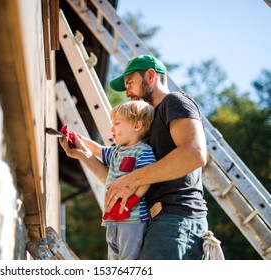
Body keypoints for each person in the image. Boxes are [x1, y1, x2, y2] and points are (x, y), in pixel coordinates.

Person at [61, 54, 208, 260]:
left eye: (130, 83)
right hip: (151, 222)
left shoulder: (174, 102)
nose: (128, 92)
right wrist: (83, 154)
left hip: (176, 219)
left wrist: (132, 179)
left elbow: (195, 154)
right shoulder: (145, 127)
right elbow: (119, 181)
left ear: (150, 75)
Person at [60, 100, 156, 260]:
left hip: (133, 217)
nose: (112, 128)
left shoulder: (143, 151)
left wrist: (134, 199)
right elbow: (97, 149)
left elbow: (146, 179)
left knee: (128, 258)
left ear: (137, 126)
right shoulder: (116, 152)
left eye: (117, 123)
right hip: (112, 217)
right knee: (113, 257)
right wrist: (77, 139)